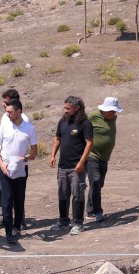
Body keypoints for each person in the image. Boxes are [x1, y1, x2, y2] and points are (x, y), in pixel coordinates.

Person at [0, 100, 38, 244]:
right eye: (7, 111)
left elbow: (34, 151)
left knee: (19, 199)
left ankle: (17, 227)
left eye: (10, 112)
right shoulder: (4, 126)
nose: (7, 114)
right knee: (6, 201)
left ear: (19, 112)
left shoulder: (29, 128)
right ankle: (8, 232)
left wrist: (24, 158)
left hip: (20, 168)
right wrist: (1, 164)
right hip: (4, 168)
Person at [50, 96, 94, 235]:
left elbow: (89, 143)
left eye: (68, 108)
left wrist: (81, 162)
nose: (66, 110)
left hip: (77, 167)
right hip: (63, 166)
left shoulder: (85, 123)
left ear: (77, 108)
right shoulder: (62, 122)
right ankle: (63, 221)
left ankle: (78, 223)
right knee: (63, 194)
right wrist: (52, 155)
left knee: (77, 194)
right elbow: (57, 139)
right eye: (65, 108)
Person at [86, 97, 122, 222]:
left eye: (115, 111)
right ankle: (98, 212)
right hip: (92, 155)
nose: (113, 113)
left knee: (98, 184)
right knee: (95, 181)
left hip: (104, 158)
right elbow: (80, 126)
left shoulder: (113, 118)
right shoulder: (93, 116)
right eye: (111, 111)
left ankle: (90, 210)